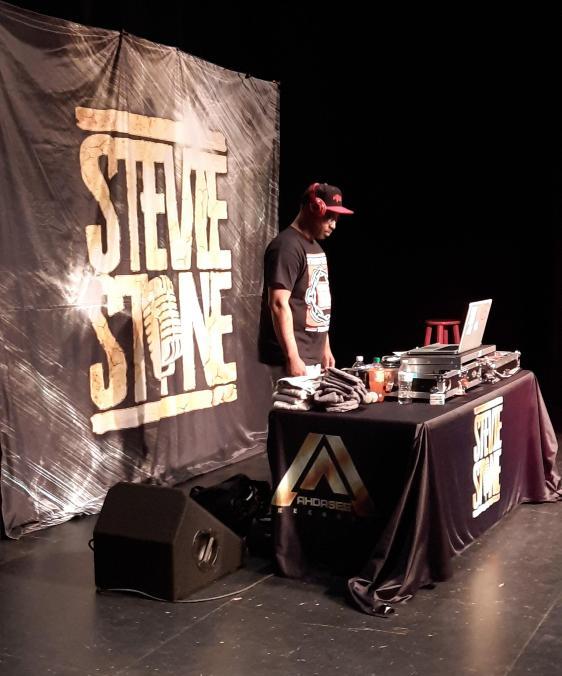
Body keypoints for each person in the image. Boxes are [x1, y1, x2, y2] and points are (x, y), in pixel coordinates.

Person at [258, 182, 354, 377]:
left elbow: (318, 305)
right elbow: (278, 304)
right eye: (329, 217)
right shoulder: (286, 247)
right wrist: (292, 356)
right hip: (291, 360)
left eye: (336, 218)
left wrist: (324, 346)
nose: (334, 224)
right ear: (314, 208)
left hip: (311, 357)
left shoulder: (315, 248)